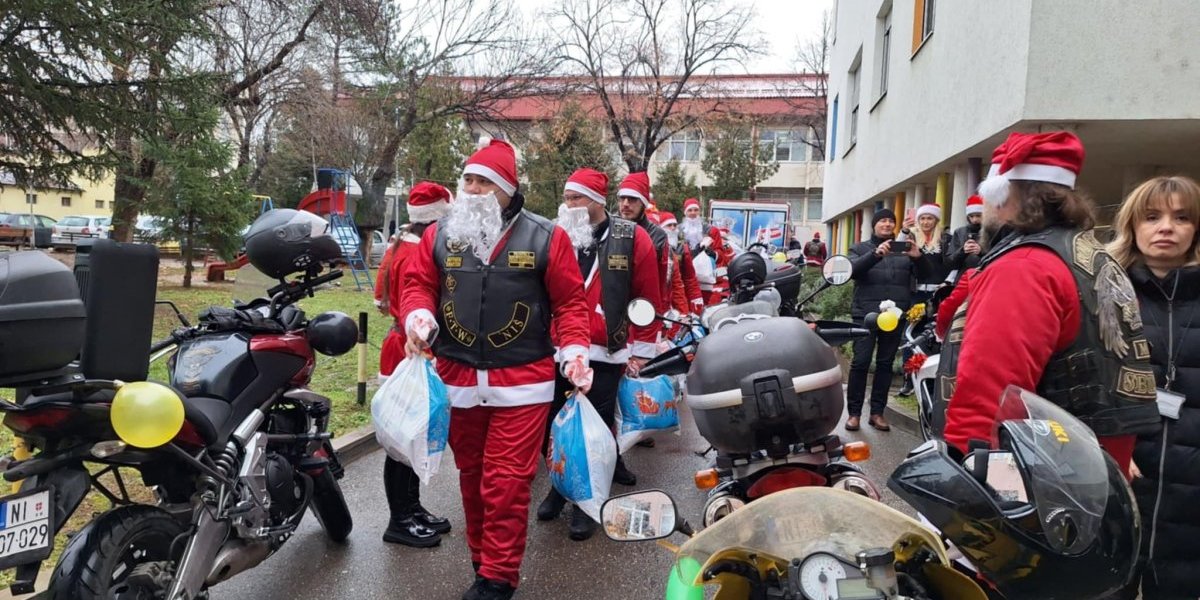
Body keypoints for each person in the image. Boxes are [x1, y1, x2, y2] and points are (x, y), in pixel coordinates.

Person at [399, 139, 592, 600]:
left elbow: (569, 303)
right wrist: (417, 316)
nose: (473, 188)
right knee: (471, 476)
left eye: (485, 181)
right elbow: (418, 285)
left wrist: (576, 350)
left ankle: (498, 578)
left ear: (508, 188)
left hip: (523, 383)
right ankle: (482, 560)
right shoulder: (440, 235)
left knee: (505, 483)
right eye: (468, 179)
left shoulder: (547, 236)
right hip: (458, 380)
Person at [940, 131, 1159, 477]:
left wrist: (971, 494)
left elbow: (989, 402)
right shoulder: (1093, 255)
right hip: (1087, 478)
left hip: (1037, 483)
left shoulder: (1023, 266)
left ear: (1002, 195)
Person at [535, 168, 661, 540]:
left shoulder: (632, 238)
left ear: (596, 201)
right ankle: (558, 489)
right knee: (557, 425)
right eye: (566, 197)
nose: (568, 204)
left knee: (594, 430)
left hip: (608, 350)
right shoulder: (556, 234)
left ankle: (587, 503)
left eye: (576, 198)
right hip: (559, 347)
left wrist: (642, 350)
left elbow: (648, 295)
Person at [1108, 175, 1200, 600]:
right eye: (1153, 216)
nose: (1167, 227)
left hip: (1190, 486)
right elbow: (1076, 383)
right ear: (1133, 225)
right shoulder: (1102, 293)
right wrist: (1109, 448)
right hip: (1120, 473)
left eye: (1182, 217)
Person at [377, 182, 455, 548]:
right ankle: (400, 518)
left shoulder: (399, 245)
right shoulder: (422, 249)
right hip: (413, 349)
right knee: (403, 440)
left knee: (410, 436)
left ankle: (411, 507)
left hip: (401, 344)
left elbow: (380, 298)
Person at [846, 208, 925, 432]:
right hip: (866, 314)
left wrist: (919, 258)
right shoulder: (860, 248)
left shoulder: (904, 250)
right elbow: (851, 271)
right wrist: (875, 255)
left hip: (896, 315)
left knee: (885, 364)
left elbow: (926, 274)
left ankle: (877, 413)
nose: (887, 224)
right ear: (874, 225)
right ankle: (854, 414)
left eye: (891, 221)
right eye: (882, 221)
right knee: (860, 363)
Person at [897, 202, 952, 396]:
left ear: (936, 220)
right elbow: (896, 250)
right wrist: (904, 229)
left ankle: (931, 377)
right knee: (911, 336)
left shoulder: (946, 240)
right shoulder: (912, 238)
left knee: (935, 337)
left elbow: (953, 264)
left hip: (939, 296)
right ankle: (910, 379)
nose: (926, 222)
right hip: (917, 295)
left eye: (929, 218)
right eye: (922, 218)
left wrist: (947, 283)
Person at [616, 173, 671, 317]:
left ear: (643, 203)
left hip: (642, 309)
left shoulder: (657, 235)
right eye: (622, 198)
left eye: (632, 199)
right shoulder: (608, 228)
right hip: (611, 308)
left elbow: (661, 282)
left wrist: (660, 314)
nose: (625, 204)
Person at [659, 212, 706, 318]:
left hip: (678, 294)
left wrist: (696, 300)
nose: (672, 228)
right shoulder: (656, 248)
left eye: (674, 225)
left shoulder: (682, 247)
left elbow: (690, 278)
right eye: (668, 225)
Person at [944, 195, 986, 280]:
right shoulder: (959, 232)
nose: (974, 219)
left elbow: (1000, 258)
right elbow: (950, 262)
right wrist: (962, 251)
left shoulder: (992, 231)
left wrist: (981, 252)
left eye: (978, 215)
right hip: (963, 279)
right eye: (971, 216)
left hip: (985, 278)